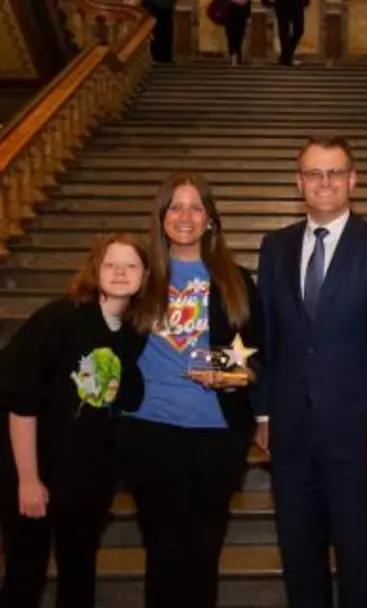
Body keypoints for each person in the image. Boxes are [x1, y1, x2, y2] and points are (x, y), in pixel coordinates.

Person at [254, 135, 367, 608]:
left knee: (358, 562)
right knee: (300, 560)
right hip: (290, 436)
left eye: (334, 172)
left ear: (353, 179)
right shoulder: (275, 247)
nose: (323, 182)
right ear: (298, 182)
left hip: (360, 438)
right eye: (313, 173)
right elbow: (267, 337)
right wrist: (264, 413)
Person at [117, 172, 263, 608]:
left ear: (211, 219)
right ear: (161, 218)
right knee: (161, 550)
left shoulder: (236, 281)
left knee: (204, 550)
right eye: (175, 207)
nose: (185, 216)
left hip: (217, 432)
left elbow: (258, 361)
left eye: (196, 206)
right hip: (149, 429)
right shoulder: (139, 277)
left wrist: (236, 376)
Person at [0, 233, 149, 608]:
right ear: (94, 269)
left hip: (88, 483)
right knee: (25, 575)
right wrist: (29, 480)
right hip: (34, 472)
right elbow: (22, 404)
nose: (119, 272)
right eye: (110, 263)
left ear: (145, 276)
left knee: (79, 576)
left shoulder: (134, 336)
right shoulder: (58, 320)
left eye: (130, 265)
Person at [274, 0, 306, 66]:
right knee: (284, 33)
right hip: (282, 5)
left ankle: (285, 56)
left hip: (297, 5)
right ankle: (286, 58)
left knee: (299, 31)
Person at [225, 0, 251, 66]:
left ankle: (233, 57)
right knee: (238, 40)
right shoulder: (246, 2)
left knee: (231, 39)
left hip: (231, 22)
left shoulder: (229, 2)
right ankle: (237, 56)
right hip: (240, 23)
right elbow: (247, 14)